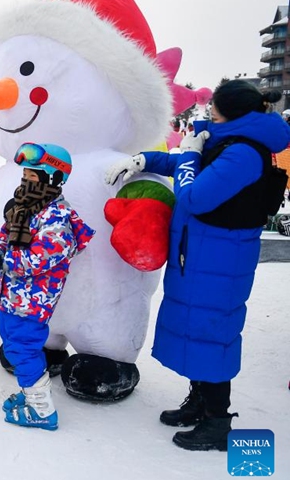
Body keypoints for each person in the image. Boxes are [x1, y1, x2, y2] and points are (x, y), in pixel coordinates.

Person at [105, 80, 290, 451]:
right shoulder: (228, 143)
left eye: (213, 112)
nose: (208, 116)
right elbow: (188, 164)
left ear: (229, 114)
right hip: (203, 257)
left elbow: (195, 195)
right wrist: (146, 159)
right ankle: (200, 402)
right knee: (195, 328)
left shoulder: (243, 154)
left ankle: (218, 422)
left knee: (211, 333)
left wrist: (189, 153)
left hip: (219, 262)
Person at [0, 143, 94, 431]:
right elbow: (5, 237)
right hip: (12, 297)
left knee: (23, 350)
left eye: (33, 176)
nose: (25, 181)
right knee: (14, 346)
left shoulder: (57, 217)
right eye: (24, 174)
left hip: (32, 302)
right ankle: (32, 392)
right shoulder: (24, 208)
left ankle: (41, 410)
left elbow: (39, 259)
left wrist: (4, 258)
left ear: (53, 179)